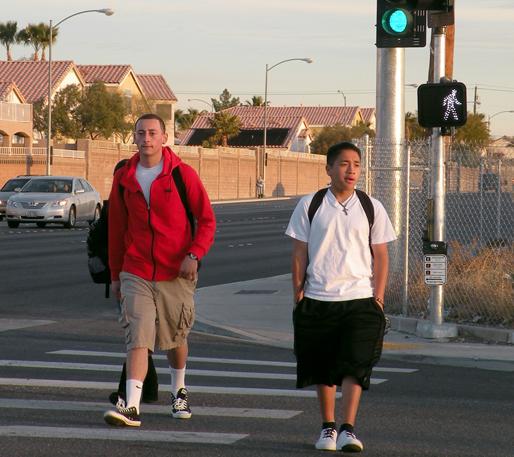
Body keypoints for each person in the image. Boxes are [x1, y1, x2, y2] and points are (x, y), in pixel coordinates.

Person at [103, 113, 216, 427]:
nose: (147, 138)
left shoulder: (183, 174)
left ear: (164, 137)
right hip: (135, 268)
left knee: (174, 336)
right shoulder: (125, 176)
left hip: (175, 271)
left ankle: (179, 389)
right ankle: (133, 406)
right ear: (135, 137)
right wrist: (115, 274)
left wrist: (194, 254)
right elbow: (116, 228)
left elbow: (206, 220)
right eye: (141, 133)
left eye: (153, 133)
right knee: (138, 334)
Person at [285, 141, 396, 452]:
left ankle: (348, 429)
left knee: (355, 365)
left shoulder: (371, 206)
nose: (352, 170)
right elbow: (299, 252)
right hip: (318, 297)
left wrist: (379, 295)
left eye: (357, 164)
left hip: (360, 298)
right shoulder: (311, 204)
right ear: (329, 169)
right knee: (323, 366)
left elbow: (381, 254)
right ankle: (327, 428)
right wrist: (298, 292)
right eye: (345, 164)